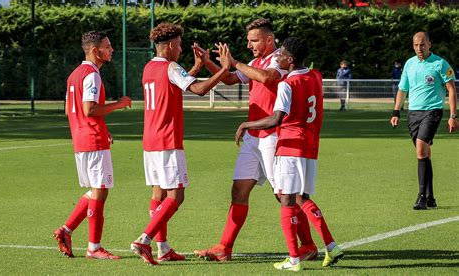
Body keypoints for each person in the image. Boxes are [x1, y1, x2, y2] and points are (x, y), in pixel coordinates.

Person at [236, 38, 343, 270]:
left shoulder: (287, 84)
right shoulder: (315, 75)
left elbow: (277, 118)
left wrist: (247, 124)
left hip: (290, 146)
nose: (278, 57)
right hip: (310, 147)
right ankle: (331, 247)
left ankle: (294, 259)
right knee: (302, 198)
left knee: (286, 198)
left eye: (281, 55)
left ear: (290, 60)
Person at [129, 22, 231, 265]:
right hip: (167, 139)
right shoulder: (171, 66)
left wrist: (196, 66)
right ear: (172, 45)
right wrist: (223, 69)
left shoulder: (149, 67)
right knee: (176, 196)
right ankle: (144, 240)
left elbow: (176, 85)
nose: (181, 49)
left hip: (150, 139)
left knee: (158, 192)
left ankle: (162, 248)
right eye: (180, 45)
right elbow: (198, 90)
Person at [192, 18, 288, 262]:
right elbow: (231, 79)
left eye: (254, 40)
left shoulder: (281, 58)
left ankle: (307, 245)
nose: (249, 45)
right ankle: (224, 247)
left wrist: (234, 62)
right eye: (248, 41)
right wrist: (209, 63)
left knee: (284, 194)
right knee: (238, 191)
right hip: (252, 138)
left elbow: (267, 78)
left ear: (269, 39)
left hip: (272, 136)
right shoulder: (255, 62)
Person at [53, 31, 132, 259]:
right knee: (100, 192)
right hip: (92, 140)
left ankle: (66, 230)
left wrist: (101, 130)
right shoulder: (92, 75)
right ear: (95, 51)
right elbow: (90, 109)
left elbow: (70, 110)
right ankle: (94, 248)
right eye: (107, 47)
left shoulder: (73, 75)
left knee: (95, 191)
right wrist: (119, 104)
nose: (111, 50)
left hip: (81, 140)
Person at [390, 31, 457, 210]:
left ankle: (420, 197)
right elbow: (402, 89)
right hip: (413, 114)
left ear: (429, 44)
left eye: (422, 44)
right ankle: (430, 197)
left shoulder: (440, 64)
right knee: (424, 154)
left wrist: (452, 116)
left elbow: (451, 89)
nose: (419, 48)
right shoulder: (409, 64)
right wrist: (396, 111)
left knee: (420, 150)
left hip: (433, 111)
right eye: (416, 45)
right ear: (413, 46)